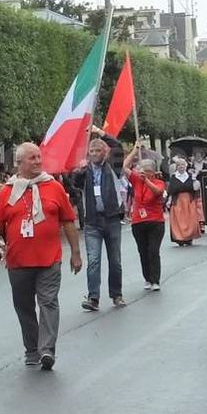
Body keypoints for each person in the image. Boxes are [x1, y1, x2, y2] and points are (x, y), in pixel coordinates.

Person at [0, 142, 82, 371]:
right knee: (24, 305)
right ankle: (32, 348)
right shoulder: (8, 192)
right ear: (19, 163)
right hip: (19, 261)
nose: (38, 161)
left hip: (49, 259)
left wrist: (75, 253)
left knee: (48, 302)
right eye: (32, 158)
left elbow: (68, 221)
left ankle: (47, 349)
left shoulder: (54, 187)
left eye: (39, 157)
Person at [71, 133, 126, 311]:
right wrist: (79, 170)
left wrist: (100, 133)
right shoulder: (85, 170)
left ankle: (116, 294)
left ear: (105, 152)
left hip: (111, 219)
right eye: (91, 151)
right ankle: (93, 297)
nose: (93, 154)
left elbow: (117, 145)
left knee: (115, 260)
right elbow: (75, 183)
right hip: (93, 222)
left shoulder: (113, 167)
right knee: (93, 260)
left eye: (97, 150)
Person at [123, 144, 167, 291]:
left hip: (155, 222)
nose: (144, 173)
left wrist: (146, 181)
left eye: (148, 171)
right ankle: (147, 278)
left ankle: (155, 280)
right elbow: (125, 166)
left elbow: (157, 192)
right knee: (143, 251)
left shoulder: (158, 182)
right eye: (143, 171)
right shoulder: (136, 180)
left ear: (153, 173)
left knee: (153, 251)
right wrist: (135, 151)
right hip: (138, 222)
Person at [167, 156, 204, 246]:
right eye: (179, 165)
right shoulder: (173, 177)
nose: (181, 166)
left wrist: (195, 184)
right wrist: (169, 201)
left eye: (183, 164)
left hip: (189, 201)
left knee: (190, 219)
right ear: (177, 167)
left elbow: (195, 188)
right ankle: (180, 238)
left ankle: (189, 237)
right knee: (179, 220)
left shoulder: (190, 176)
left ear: (186, 166)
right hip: (178, 201)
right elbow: (171, 190)